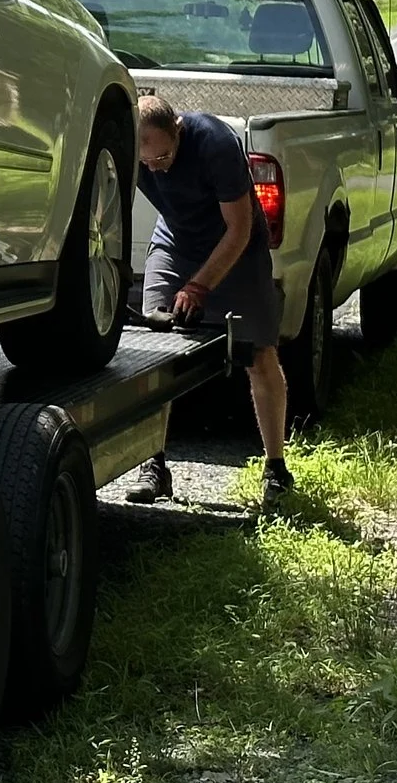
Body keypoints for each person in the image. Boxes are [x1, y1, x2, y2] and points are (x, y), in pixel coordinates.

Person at [124, 93, 295, 509]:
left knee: (258, 355)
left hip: (234, 243)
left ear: (178, 130)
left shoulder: (214, 143)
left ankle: (276, 469)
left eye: (161, 161)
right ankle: (154, 465)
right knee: (153, 352)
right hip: (176, 240)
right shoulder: (131, 146)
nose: (154, 170)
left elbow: (239, 228)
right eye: (145, 164)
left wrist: (199, 286)